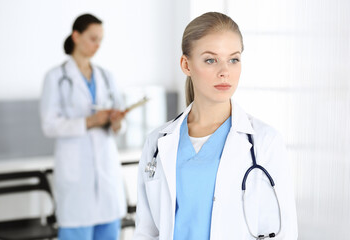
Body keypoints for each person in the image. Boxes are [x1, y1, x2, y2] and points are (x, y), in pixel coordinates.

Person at [133, 12, 298, 240]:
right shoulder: (157, 143)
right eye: (210, 60)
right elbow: (146, 232)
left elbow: (281, 233)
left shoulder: (265, 141)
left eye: (234, 59)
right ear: (186, 65)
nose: (224, 71)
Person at [40, 14, 126, 240]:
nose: (97, 45)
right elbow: (49, 126)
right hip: (76, 178)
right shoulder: (56, 77)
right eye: (92, 38)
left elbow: (119, 126)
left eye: (100, 40)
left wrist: (116, 122)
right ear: (76, 36)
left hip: (106, 176)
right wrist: (89, 121)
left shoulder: (107, 77)